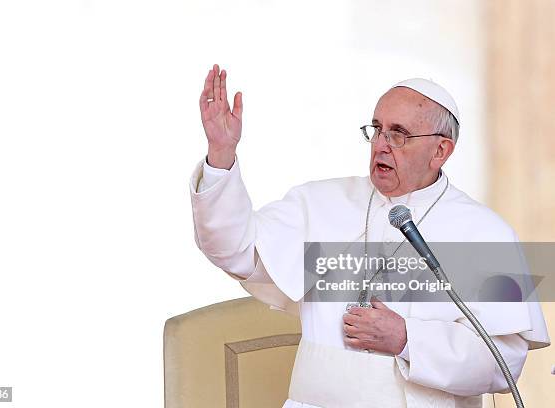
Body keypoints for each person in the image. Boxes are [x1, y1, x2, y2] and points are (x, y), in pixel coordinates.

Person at [189, 64, 550, 407]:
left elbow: (505, 361)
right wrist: (221, 155)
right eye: (377, 129)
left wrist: (408, 339)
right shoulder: (319, 203)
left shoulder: (485, 232)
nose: (381, 144)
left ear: (441, 150)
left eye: (399, 134)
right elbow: (233, 249)